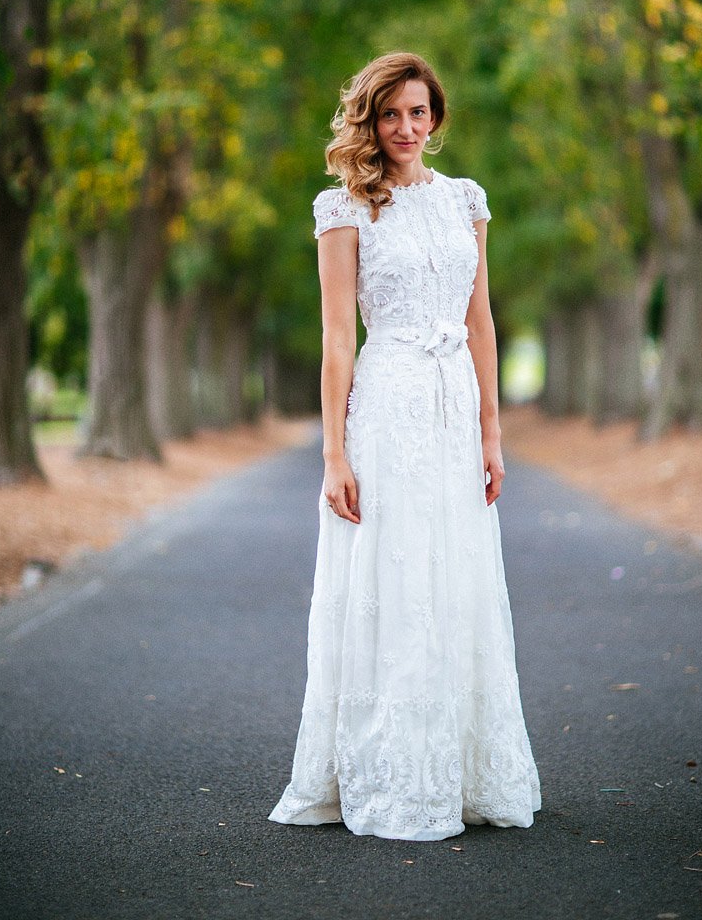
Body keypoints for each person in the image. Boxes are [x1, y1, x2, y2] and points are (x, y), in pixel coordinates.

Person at [269, 52, 541, 841]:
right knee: (392, 578)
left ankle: (459, 769)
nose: (405, 129)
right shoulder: (341, 208)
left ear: (437, 119)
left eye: (418, 113)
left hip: (454, 406)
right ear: (369, 121)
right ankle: (387, 772)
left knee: (453, 576)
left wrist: (492, 433)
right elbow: (334, 339)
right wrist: (333, 454)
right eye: (390, 115)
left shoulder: (467, 201)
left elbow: (481, 320)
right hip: (386, 405)